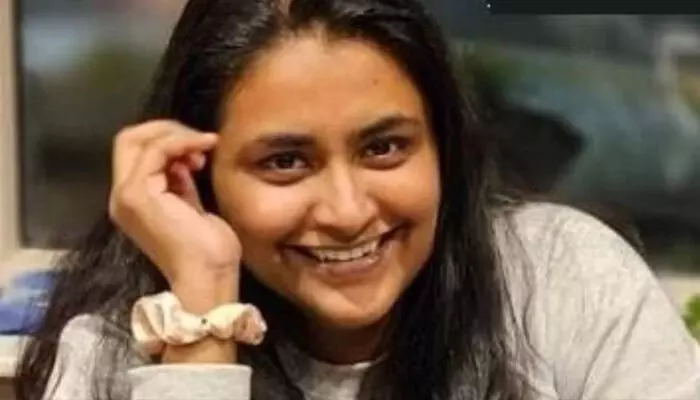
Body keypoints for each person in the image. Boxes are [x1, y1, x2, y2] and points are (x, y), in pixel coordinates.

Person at [14, 0, 700, 399]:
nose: (346, 211)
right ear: (199, 175)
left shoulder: (562, 281)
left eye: (385, 148)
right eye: (285, 161)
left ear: (443, 146)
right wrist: (203, 326)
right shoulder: (110, 356)